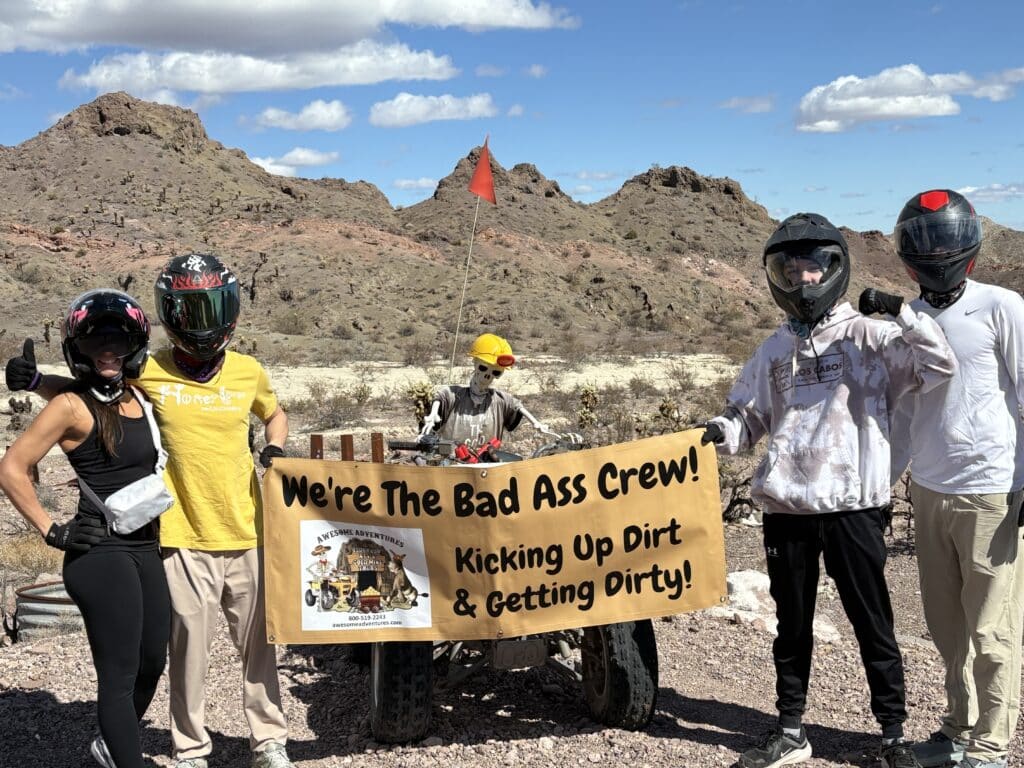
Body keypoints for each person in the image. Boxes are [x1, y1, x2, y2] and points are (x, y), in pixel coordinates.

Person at [6, 254, 293, 768]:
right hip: (180, 534)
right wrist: (35, 381)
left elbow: (275, 413)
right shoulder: (150, 368)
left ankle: (268, 740)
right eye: (193, 311)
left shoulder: (250, 371)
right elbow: (91, 388)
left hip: (249, 530)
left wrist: (274, 444)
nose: (204, 324)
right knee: (186, 655)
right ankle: (190, 748)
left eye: (213, 309)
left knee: (258, 645)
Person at [700, 212, 956, 768]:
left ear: (833, 268)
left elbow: (939, 366)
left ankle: (893, 736)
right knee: (791, 627)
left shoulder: (867, 335)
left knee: (873, 624)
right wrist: (718, 432)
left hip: (853, 505)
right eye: (788, 271)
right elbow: (747, 420)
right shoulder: (773, 349)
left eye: (813, 269)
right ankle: (791, 731)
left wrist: (902, 313)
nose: (801, 281)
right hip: (788, 505)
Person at [0, 289, 170, 768]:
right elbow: (12, 468)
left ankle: (110, 747)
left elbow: (98, 392)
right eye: (96, 343)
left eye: (118, 340)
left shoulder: (139, 397)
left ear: (135, 344)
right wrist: (51, 530)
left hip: (144, 545)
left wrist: (36, 379)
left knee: (152, 662)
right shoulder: (69, 407)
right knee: (118, 676)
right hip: (99, 551)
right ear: (80, 349)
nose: (108, 351)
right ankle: (125, 758)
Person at [893, 190, 1024, 768]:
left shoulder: (1002, 306)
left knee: (993, 628)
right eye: (924, 238)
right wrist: (885, 483)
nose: (934, 249)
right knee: (947, 628)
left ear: (967, 245)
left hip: (991, 488)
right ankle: (956, 729)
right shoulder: (907, 317)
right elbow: (900, 411)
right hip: (927, 488)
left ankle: (992, 745)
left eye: (943, 237)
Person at [419, 332, 561, 449]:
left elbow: (518, 407)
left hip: (487, 466)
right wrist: (431, 419)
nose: (488, 375)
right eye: (483, 368)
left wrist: (538, 425)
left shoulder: (500, 401)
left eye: (496, 372)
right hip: (451, 466)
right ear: (475, 364)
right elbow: (440, 397)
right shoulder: (454, 395)